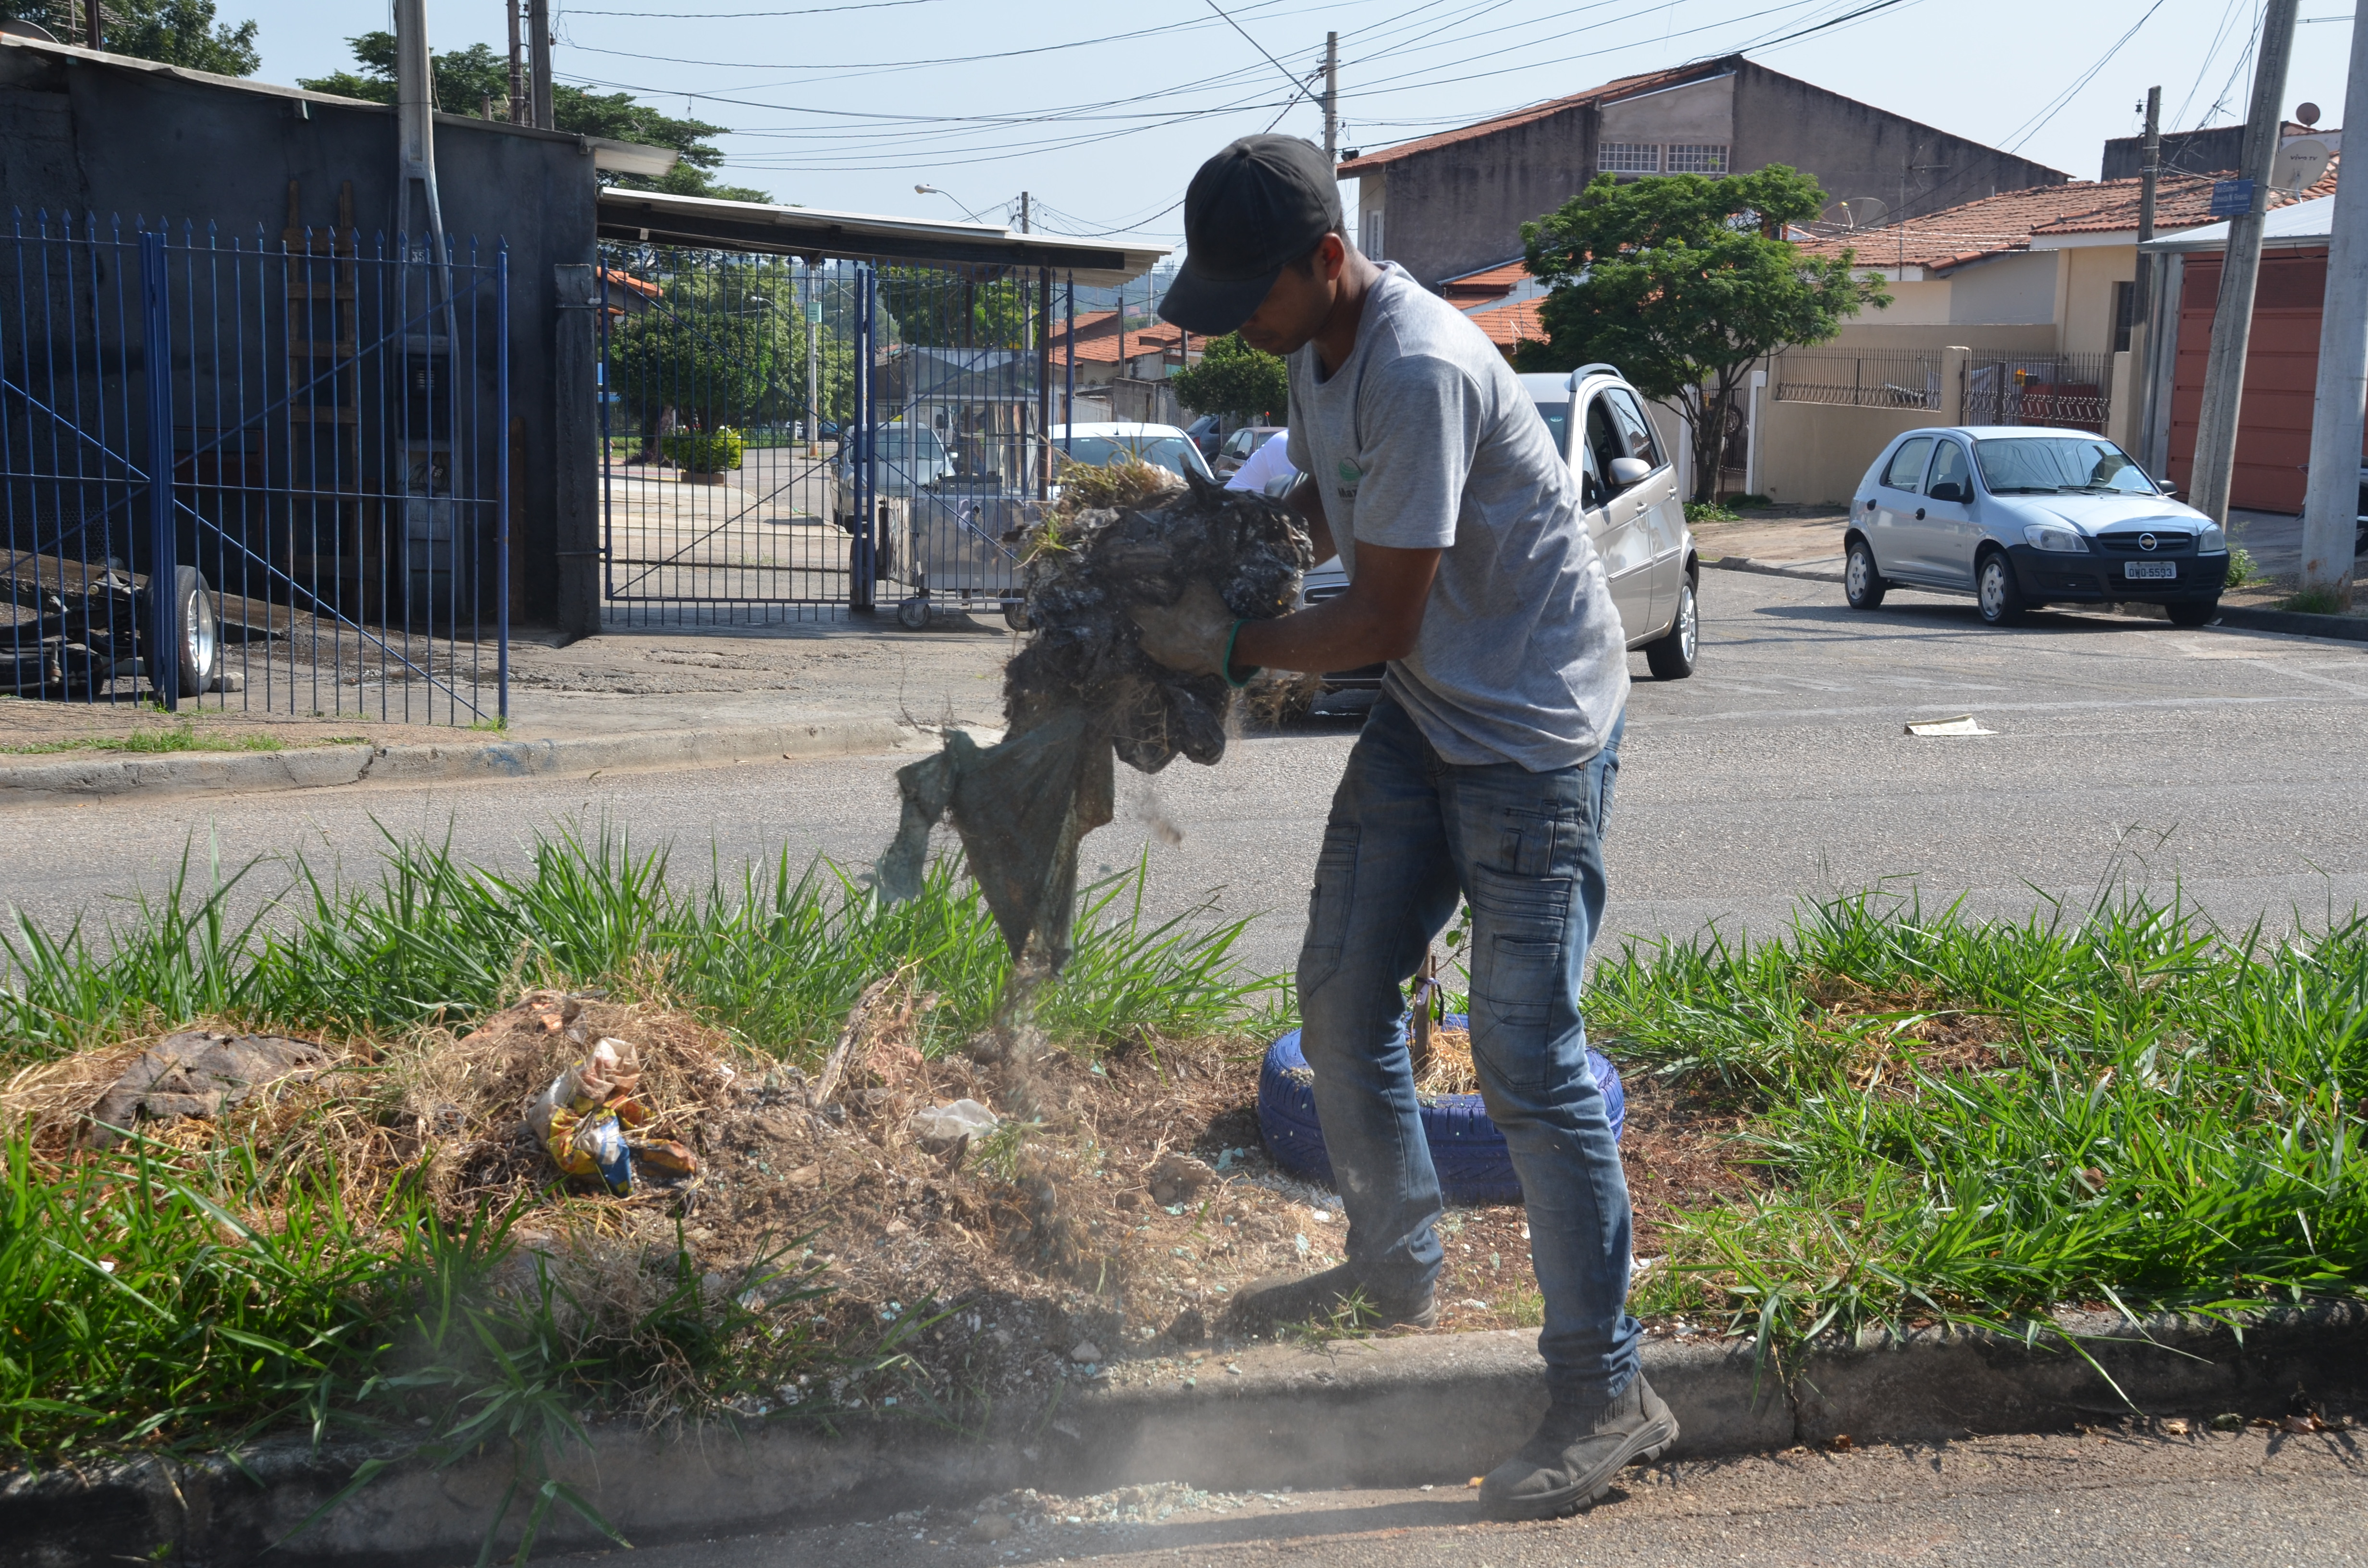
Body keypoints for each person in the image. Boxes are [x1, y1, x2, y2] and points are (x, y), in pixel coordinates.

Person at [1132, 134, 1670, 1522]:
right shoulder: (1316, 348)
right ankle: (1393, 1265)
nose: (1238, 325)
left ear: (1326, 258)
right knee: (1340, 990)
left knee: (1528, 1062)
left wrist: (1222, 646)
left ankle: (1608, 1390)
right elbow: (1332, 503)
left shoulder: (1422, 364)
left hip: (1533, 736)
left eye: (1250, 295)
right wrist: (1222, 550)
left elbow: (1378, 618)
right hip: (1433, 714)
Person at [1223, 427, 1295, 495]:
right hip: (1235, 501)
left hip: (1255, 500)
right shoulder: (1284, 443)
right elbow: (1292, 491)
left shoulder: (1290, 441)